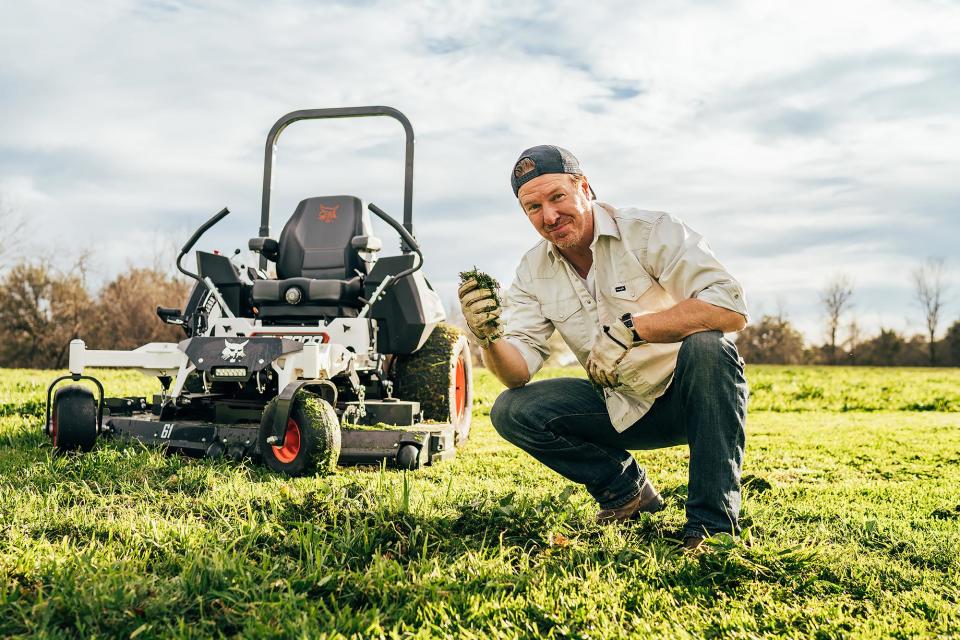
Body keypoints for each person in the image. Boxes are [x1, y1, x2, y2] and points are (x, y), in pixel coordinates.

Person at [458, 145, 749, 550]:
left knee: (708, 346)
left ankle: (711, 526)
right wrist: (487, 337)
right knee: (513, 408)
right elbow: (517, 370)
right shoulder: (532, 270)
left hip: (694, 400)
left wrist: (632, 329)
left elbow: (728, 308)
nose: (549, 216)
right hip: (621, 406)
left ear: (585, 187)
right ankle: (626, 490)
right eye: (533, 207)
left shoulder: (651, 231)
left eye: (557, 197)